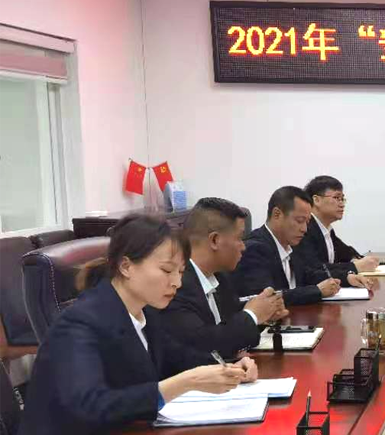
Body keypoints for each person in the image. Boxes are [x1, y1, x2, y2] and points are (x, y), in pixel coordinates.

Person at [19, 214, 258, 435]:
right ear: (126, 266)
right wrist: (186, 383)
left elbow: (177, 356)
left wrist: (228, 368)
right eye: (167, 270)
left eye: (181, 272)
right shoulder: (79, 323)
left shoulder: (145, 311)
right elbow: (90, 407)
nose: (177, 282)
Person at [161, 197, 289, 358]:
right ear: (215, 240)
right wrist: (252, 315)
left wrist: (264, 312)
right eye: (239, 238)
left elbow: (230, 323)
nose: (243, 247)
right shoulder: (176, 285)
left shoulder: (220, 276)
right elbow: (203, 344)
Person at [232, 186, 341, 306]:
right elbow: (265, 298)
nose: (305, 229)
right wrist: (317, 291)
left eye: (307, 222)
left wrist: (345, 278)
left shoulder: (291, 244)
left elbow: (308, 275)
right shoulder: (254, 249)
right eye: (300, 221)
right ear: (277, 214)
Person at [297, 175, 379, 289]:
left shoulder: (326, 229)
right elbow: (315, 269)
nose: (342, 204)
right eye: (336, 198)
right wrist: (355, 267)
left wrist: (355, 259)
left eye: (342, 199)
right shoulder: (304, 229)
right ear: (316, 200)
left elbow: (346, 252)